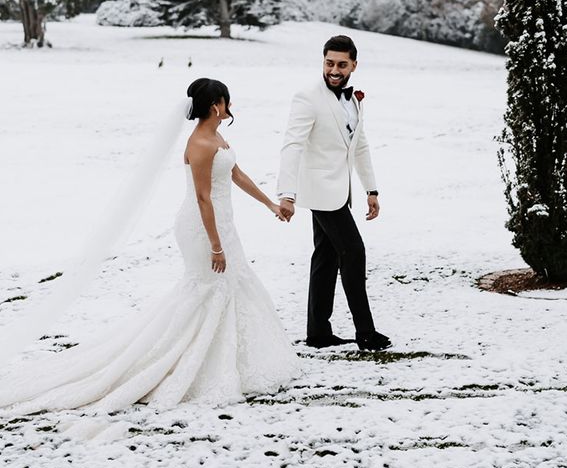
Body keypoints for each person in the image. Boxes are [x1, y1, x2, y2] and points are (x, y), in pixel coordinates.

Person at [0, 78, 299, 417]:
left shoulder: (217, 136)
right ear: (217, 103)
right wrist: (216, 245)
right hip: (203, 228)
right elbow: (202, 198)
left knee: (231, 286)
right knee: (206, 291)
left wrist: (270, 205)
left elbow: (237, 175)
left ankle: (236, 360)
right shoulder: (201, 142)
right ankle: (176, 362)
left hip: (222, 224)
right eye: (226, 100)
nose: (229, 105)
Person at [278, 35, 391, 351]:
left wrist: (372, 189)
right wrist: (286, 193)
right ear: (323, 61)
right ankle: (365, 332)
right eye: (329, 63)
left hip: (341, 191)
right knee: (353, 252)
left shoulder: (354, 99)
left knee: (325, 258)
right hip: (319, 191)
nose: (335, 70)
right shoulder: (307, 97)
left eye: (342, 64)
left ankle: (318, 333)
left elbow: (360, 144)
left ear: (354, 64)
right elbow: (292, 145)